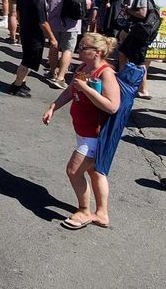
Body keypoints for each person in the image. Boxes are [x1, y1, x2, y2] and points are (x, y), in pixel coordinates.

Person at [42, 33, 121, 229]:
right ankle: (102, 214)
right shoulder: (83, 68)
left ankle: (84, 211)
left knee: (74, 171)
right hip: (83, 131)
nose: (79, 49)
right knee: (95, 172)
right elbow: (71, 90)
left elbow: (112, 106)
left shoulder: (106, 74)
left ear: (98, 53)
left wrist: (87, 89)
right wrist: (54, 106)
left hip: (94, 135)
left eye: (84, 47)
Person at [4, 0, 58, 98]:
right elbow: (43, 22)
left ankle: (22, 81)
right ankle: (16, 86)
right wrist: (52, 39)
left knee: (29, 58)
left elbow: (18, 11)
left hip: (25, 30)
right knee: (28, 61)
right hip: (33, 33)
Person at [117, 0, 158, 98]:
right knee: (124, 52)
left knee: (139, 61)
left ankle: (142, 89)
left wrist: (128, 10)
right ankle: (125, 81)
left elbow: (142, 13)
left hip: (139, 33)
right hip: (143, 32)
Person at [44, 0, 82, 89]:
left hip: (53, 21)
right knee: (67, 49)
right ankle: (61, 77)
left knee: (54, 46)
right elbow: (86, 3)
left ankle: (52, 72)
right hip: (71, 23)